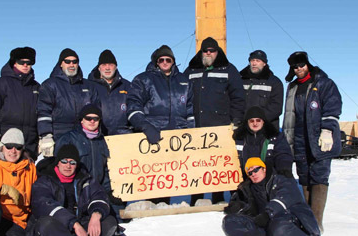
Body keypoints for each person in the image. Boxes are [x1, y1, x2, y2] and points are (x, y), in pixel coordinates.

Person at [221, 157, 339, 236]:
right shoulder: (249, 188)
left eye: (256, 169)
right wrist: (237, 207)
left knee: (279, 228)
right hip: (267, 226)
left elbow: (284, 198)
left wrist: (267, 214)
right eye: (250, 172)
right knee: (230, 220)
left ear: (264, 169)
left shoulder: (281, 179)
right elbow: (248, 208)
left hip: (291, 220)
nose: (253, 174)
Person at [30, 144, 120, 236]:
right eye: (64, 161)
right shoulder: (45, 180)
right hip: (58, 226)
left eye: (72, 162)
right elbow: (45, 205)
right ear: (58, 162)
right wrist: (74, 224)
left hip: (81, 224)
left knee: (109, 222)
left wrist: (96, 214)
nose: (68, 165)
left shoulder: (84, 178)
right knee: (46, 224)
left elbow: (99, 195)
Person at [126, 45, 194, 204]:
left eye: (168, 59)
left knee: (173, 179)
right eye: (161, 59)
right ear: (156, 62)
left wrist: (192, 131)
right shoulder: (144, 79)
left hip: (178, 138)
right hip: (154, 137)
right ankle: (152, 212)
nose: (164, 62)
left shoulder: (183, 81)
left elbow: (190, 108)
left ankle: (167, 209)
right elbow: (133, 105)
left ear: (173, 61)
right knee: (155, 179)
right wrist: (145, 126)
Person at [282, 51, 342, 232]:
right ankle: (307, 217)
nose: (299, 69)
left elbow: (333, 105)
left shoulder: (323, 83)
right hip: (299, 137)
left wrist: (327, 129)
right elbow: (289, 115)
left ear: (307, 65)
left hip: (318, 136)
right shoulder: (292, 88)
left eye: (301, 65)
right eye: (295, 66)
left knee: (319, 175)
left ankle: (316, 220)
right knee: (304, 176)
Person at [185, 37, 245, 204]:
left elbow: (238, 98)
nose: (209, 53)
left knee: (218, 164)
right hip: (196, 127)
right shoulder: (191, 70)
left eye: (212, 50)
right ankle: (196, 198)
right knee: (197, 164)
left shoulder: (229, 70)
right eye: (205, 50)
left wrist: (236, 121)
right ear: (201, 52)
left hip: (221, 127)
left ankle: (218, 197)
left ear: (217, 52)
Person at [0, 47, 40, 159]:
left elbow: (42, 113)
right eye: (21, 62)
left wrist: (42, 138)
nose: (25, 65)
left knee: (27, 175)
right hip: (6, 146)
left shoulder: (37, 88)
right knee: (2, 175)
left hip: (29, 146)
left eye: (29, 62)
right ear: (14, 63)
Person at [37, 48, 100, 158]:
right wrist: (45, 135)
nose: (71, 64)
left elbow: (96, 110)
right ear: (61, 64)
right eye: (67, 61)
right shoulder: (50, 85)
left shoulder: (88, 86)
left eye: (74, 62)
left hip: (83, 135)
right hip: (59, 135)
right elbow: (43, 111)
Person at [54, 104, 113, 203]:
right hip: (76, 192)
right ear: (82, 120)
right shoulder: (68, 139)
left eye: (96, 118)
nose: (92, 121)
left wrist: (108, 191)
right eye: (88, 118)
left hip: (97, 191)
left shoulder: (102, 141)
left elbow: (106, 169)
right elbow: (58, 167)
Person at [233, 106, 293, 178]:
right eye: (252, 121)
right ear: (247, 122)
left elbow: (283, 155)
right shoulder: (237, 139)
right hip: (243, 181)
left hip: (268, 181)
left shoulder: (274, 137)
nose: (255, 123)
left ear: (263, 121)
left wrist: (283, 169)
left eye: (258, 120)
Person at [87, 49, 132, 135]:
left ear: (116, 67)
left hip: (123, 135)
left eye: (111, 65)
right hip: (98, 135)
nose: (107, 68)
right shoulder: (89, 86)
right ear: (99, 68)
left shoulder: (127, 86)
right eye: (104, 65)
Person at [239, 50, 284, 130]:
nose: (254, 63)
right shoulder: (240, 81)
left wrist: (257, 121)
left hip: (267, 130)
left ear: (264, 63)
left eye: (258, 61)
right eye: (252, 60)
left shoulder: (274, 82)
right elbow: (235, 102)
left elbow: (276, 108)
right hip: (244, 128)